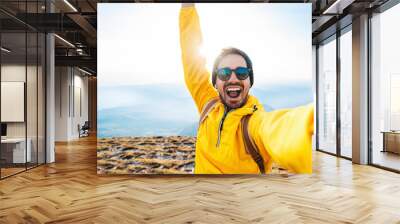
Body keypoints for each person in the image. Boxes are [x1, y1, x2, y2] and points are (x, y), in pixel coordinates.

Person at [179, 3, 314, 174]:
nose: (233, 79)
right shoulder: (208, 104)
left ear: (250, 81)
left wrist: (312, 125)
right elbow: (192, 60)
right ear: (215, 82)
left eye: (242, 73)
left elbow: (284, 129)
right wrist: (187, 8)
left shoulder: (255, 124)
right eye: (224, 73)